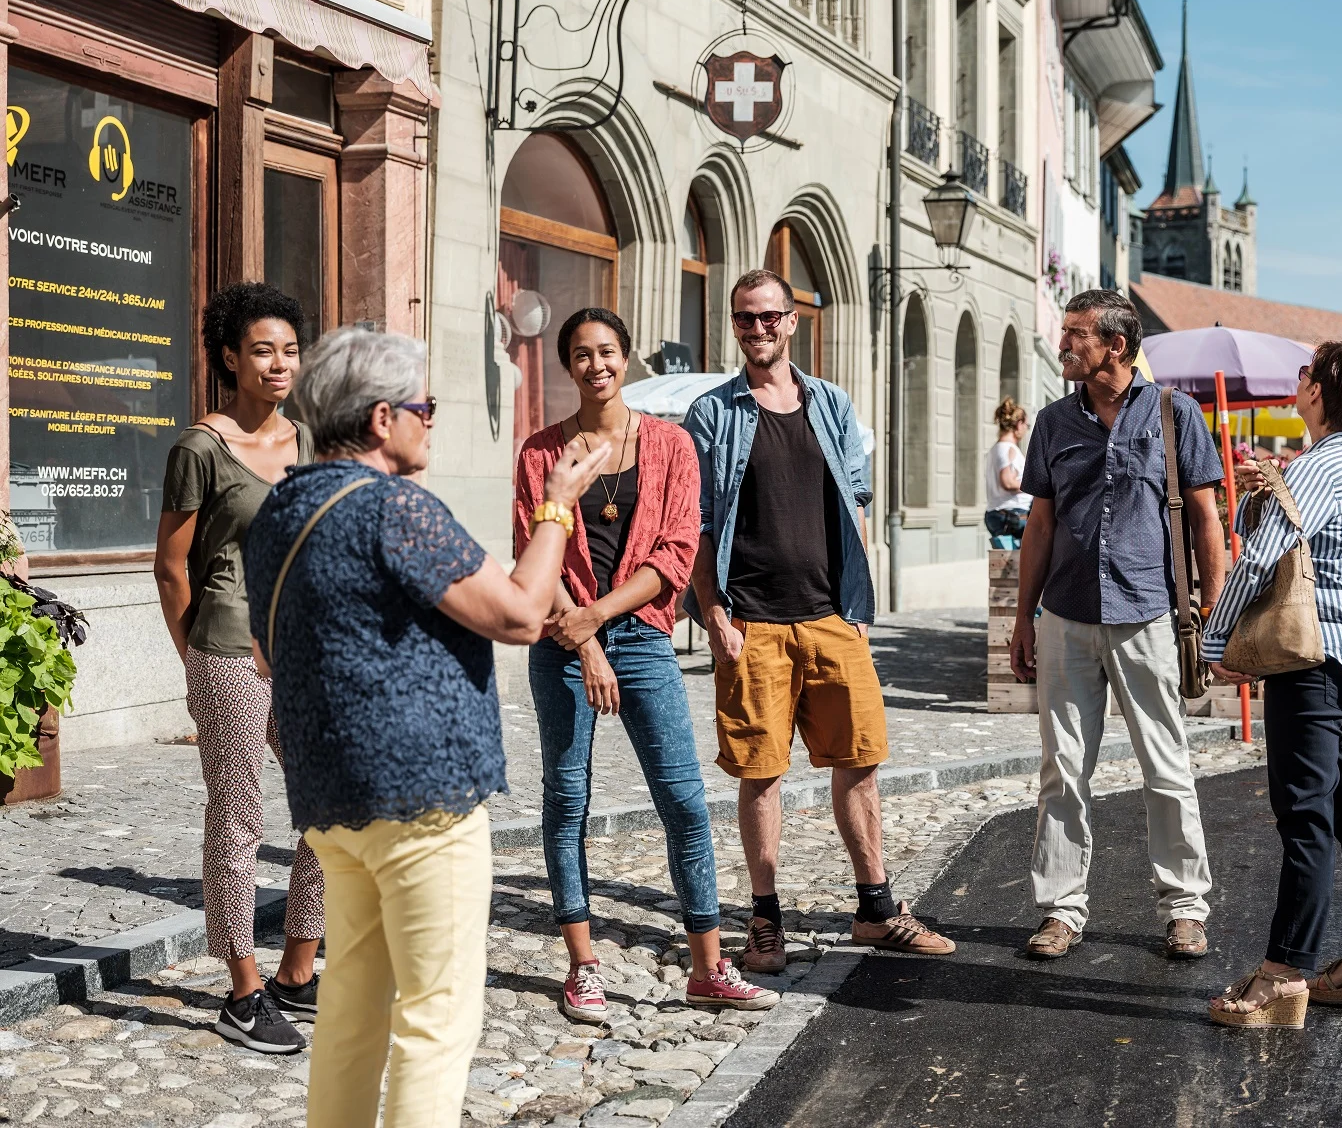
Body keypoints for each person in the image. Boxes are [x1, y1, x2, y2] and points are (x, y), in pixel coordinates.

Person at [244, 328, 609, 1128]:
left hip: (333, 800)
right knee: (435, 1019)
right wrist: (556, 505)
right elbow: (519, 613)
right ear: (382, 420)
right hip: (422, 799)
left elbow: (273, 654)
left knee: (349, 1013)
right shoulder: (393, 507)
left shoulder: (278, 511)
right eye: (425, 408)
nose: (431, 422)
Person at [514, 307, 779, 1022]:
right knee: (566, 799)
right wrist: (585, 642)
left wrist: (599, 619)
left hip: (640, 639)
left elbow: (674, 554)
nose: (595, 364)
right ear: (567, 366)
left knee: (685, 804)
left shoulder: (670, 446)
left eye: (606, 351)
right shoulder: (541, 453)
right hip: (563, 645)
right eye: (580, 354)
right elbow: (535, 548)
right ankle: (584, 966)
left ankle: (707, 967)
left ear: (625, 358)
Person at [686, 268, 954, 971]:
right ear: (734, 325)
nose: (757, 330)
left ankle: (875, 907)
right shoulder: (713, 415)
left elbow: (855, 505)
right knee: (761, 772)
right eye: (745, 319)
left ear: (792, 321)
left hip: (832, 619)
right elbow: (698, 528)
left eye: (769, 317)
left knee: (860, 763)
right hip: (754, 624)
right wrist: (714, 614)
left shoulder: (831, 403)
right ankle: (764, 917)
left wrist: (857, 609)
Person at [1009, 288, 1226, 961]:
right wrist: (1024, 614)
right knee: (1063, 771)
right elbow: (1039, 524)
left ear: (1117, 346)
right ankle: (1061, 910)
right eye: (1066, 331)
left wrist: (1214, 611)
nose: (1064, 342)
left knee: (1167, 766)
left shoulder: (1173, 414)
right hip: (1067, 615)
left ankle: (1186, 907)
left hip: (1148, 616)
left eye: (1077, 333)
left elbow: (1205, 517)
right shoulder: (1051, 422)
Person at [1204, 341, 1342, 1029]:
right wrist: (1269, 490)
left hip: (1311, 661)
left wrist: (1212, 638)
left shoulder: (1320, 467)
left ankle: (1283, 975)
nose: (1298, 379)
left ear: (1319, 394)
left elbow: (1259, 560)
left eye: (1306, 373)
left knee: (1305, 816)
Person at [154, 282, 324, 1053]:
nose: (279, 363)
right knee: (240, 817)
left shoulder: (307, 440)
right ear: (230, 356)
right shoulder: (200, 446)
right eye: (263, 349)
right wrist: (195, 658)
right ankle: (243, 989)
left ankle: (297, 967)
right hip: (226, 648)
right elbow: (171, 566)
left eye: (290, 349)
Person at [984, 397, 1032, 547]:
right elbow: (1008, 482)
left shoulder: (997, 449)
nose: (1026, 429)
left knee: (1009, 566)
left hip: (1003, 513)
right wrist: (1036, 486)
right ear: (1019, 424)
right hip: (1013, 514)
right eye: (1026, 425)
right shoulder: (1007, 449)